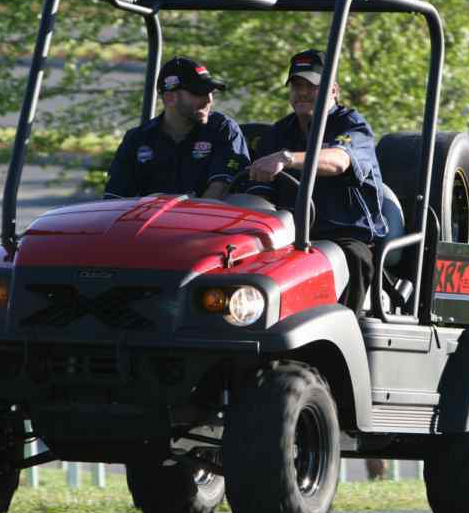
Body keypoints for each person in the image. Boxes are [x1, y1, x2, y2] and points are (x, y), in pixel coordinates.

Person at [249, 49, 388, 314]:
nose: (302, 92)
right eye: (297, 85)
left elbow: (340, 160)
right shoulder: (279, 132)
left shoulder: (350, 125)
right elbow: (259, 194)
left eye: (312, 86)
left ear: (333, 90)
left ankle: (342, 335)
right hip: (289, 237)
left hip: (343, 237)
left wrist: (287, 158)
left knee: (352, 258)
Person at [104, 57, 250, 200]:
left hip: (206, 222)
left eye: (211, 92)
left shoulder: (223, 129)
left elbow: (220, 190)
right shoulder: (136, 138)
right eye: (199, 92)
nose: (209, 100)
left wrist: (184, 219)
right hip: (149, 222)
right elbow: (114, 200)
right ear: (169, 98)